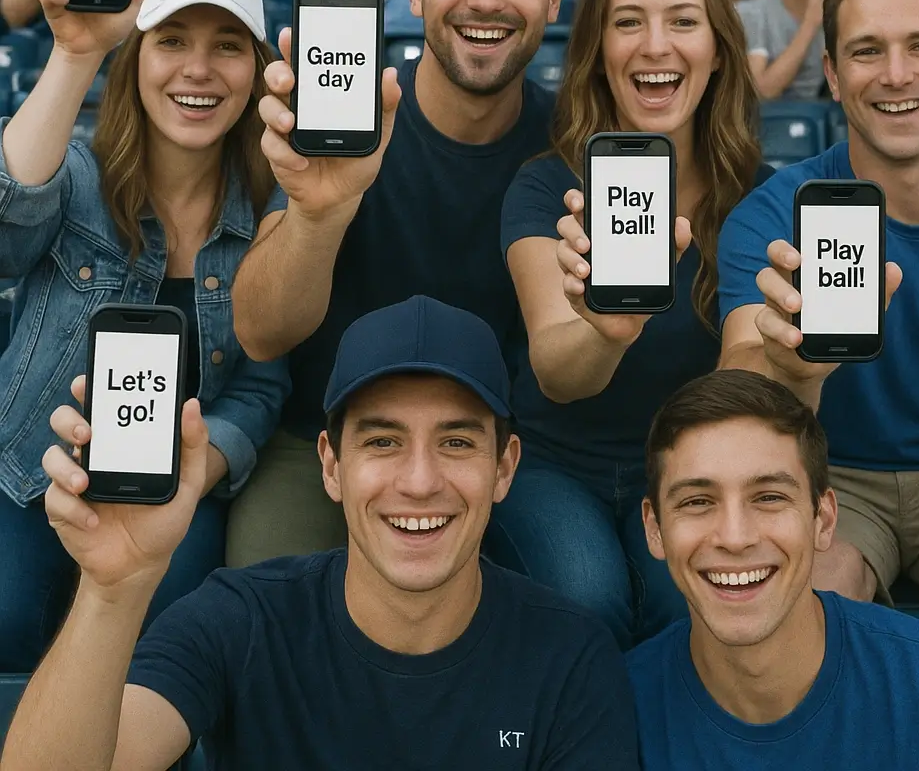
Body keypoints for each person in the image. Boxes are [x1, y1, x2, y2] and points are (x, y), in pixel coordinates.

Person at [0, 297, 640, 771]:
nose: (420, 481)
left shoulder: (571, 658)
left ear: (504, 468)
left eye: (456, 442)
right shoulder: (240, 620)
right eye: (383, 441)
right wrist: (113, 587)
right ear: (331, 465)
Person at [226, 0, 565, 564]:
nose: (486, 0)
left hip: (507, 450)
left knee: (577, 585)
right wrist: (318, 213)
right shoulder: (354, 120)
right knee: (267, 582)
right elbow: (261, 331)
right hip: (329, 435)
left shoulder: (573, 144)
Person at [717, 0, 919, 653]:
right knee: (791, 625)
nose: (896, 74)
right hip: (827, 477)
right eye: (866, 51)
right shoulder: (773, 214)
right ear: (832, 74)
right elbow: (738, 378)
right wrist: (791, 374)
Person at [0, 0, 290, 673]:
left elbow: (260, 387)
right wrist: (74, 54)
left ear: (257, 72)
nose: (199, 69)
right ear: (135, 60)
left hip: (172, 489)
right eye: (172, 41)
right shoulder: (77, 173)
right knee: (7, 616)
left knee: (168, 642)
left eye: (228, 46)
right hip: (30, 475)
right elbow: (8, 228)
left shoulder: (273, 210)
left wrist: (193, 473)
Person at [491, 0, 770, 648]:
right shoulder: (547, 186)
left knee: (693, 607)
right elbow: (557, 371)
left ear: (718, 50)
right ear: (598, 50)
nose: (655, 46)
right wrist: (606, 333)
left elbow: (756, 377)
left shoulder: (760, 197)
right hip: (556, 465)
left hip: (695, 468)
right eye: (627, 23)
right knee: (587, 597)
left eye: (683, 22)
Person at [629, 369, 919, 767]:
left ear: (825, 519)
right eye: (697, 501)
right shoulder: (619, 706)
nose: (735, 537)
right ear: (654, 529)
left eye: (769, 497)